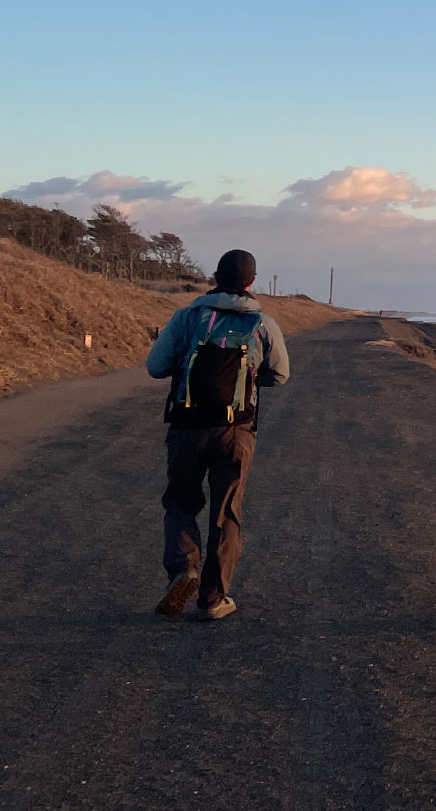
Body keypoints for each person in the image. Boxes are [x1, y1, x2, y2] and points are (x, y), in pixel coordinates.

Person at [144, 248, 289, 621]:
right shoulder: (263, 322)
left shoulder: (187, 316)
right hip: (236, 430)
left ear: (215, 275)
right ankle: (213, 598)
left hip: (187, 428)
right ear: (252, 281)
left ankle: (184, 568)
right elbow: (281, 375)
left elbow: (156, 367)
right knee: (227, 513)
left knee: (180, 503)